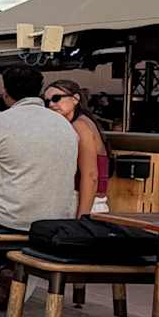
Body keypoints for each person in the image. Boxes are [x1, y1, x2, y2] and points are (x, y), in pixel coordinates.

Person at [0, 66, 79, 302]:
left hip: (10, 217)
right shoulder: (65, 126)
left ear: (5, 93)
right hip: (58, 217)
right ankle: (6, 271)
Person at [44, 78, 111, 215]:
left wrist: (82, 218)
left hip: (84, 203)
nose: (51, 104)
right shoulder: (79, 123)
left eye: (56, 98)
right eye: (47, 101)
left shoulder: (80, 126)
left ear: (75, 99)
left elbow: (90, 175)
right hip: (85, 202)